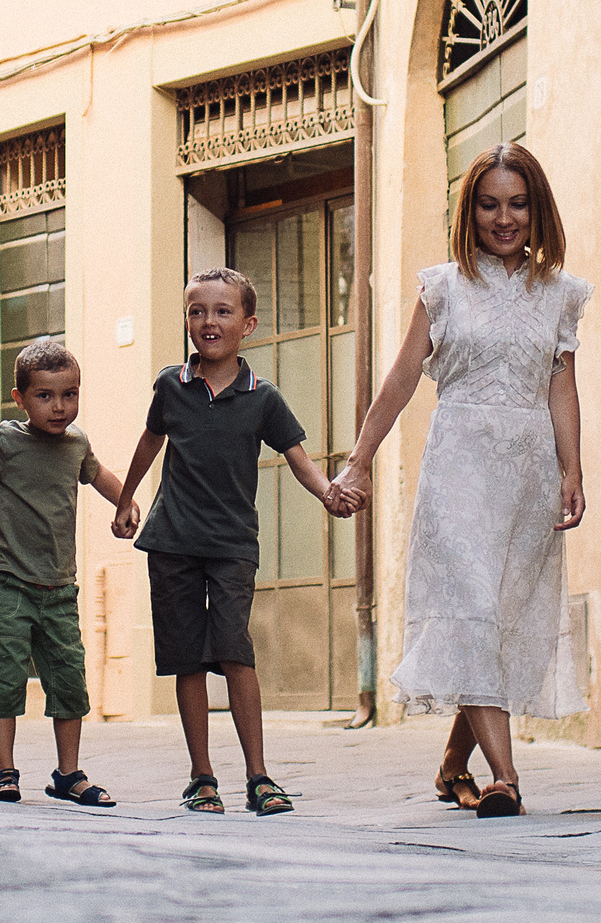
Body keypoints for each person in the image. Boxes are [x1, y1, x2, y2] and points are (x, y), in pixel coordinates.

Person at [330, 142, 590, 818]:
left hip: (528, 473)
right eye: (489, 204)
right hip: (458, 470)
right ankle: (505, 775)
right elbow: (401, 378)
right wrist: (359, 459)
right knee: (473, 607)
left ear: (537, 210)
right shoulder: (443, 287)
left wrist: (572, 468)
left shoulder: (560, 294)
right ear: (469, 210)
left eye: (517, 203)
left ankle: (453, 763)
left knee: (496, 624)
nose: (504, 218)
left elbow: (561, 385)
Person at [111, 268, 353, 816]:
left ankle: (259, 776)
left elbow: (299, 460)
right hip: (172, 541)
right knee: (186, 659)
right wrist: (125, 499)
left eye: (222, 312)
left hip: (232, 546)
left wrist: (328, 494)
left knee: (234, 650)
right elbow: (150, 442)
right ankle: (202, 776)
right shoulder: (170, 385)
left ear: (249, 324)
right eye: (197, 311)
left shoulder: (262, 398)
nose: (208, 322)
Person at [0, 336, 126, 807]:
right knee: (6, 676)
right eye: (45, 396)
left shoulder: (77, 444)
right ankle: (4, 771)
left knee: (69, 679)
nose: (59, 406)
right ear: (20, 398)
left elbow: (102, 476)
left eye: (69, 394)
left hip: (59, 586)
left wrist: (127, 502)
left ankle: (68, 774)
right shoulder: (6, 440)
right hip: (9, 581)